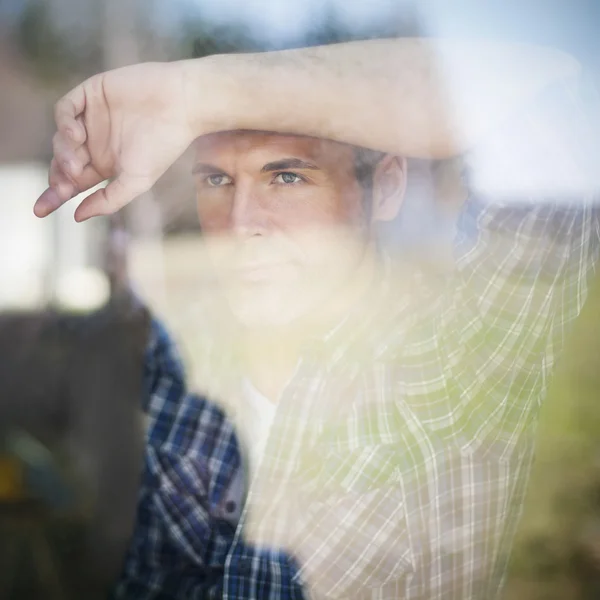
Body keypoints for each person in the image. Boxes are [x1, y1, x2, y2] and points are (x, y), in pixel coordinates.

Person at [34, 39, 600, 600]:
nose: (240, 223)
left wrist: (198, 92)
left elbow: (550, 101)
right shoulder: (181, 363)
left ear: (387, 187)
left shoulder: (457, 361)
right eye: (217, 180)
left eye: (288, 177)